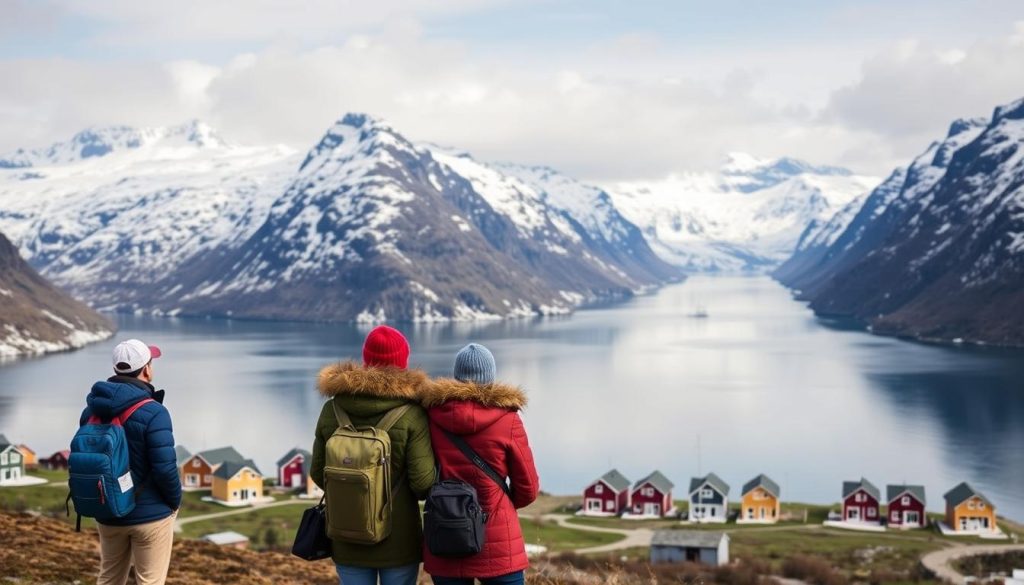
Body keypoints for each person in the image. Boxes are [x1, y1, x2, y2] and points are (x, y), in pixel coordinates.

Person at [311, 325, 436, 585]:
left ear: (366, 359)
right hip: (399, 542)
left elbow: (318, 472)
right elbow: (423, 484)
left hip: (346, 538)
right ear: (403, 362)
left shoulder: (332, 409)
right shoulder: (413, 414)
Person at [420, 343, 540, 585]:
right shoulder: (508, 420)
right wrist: (498, 506)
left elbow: (422, 475)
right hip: (497, 542)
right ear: (491, 377)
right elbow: (527, 489)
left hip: (445, 534)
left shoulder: (430, 415)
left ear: (456, 376)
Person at [82, 339, 182, 585]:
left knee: (109, 577)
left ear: (116, 369)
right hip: (151, 516)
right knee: (149, 581)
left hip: (107, 510)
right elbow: (164, 467)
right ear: (146, 369)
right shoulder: (154, 412)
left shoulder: (91, 410)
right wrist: (173, 502)